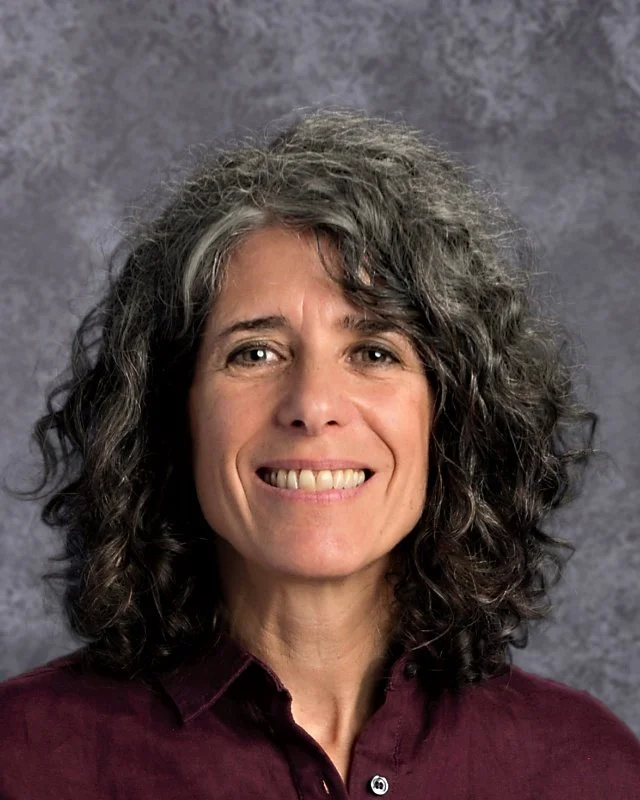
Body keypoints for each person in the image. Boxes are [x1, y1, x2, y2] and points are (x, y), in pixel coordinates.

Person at [1, 109, 638, 799]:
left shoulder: (588, 769)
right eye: (255, 352)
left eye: (373, 352)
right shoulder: (26, 761)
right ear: (170, 414)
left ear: (451, 418)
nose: (312, 403)